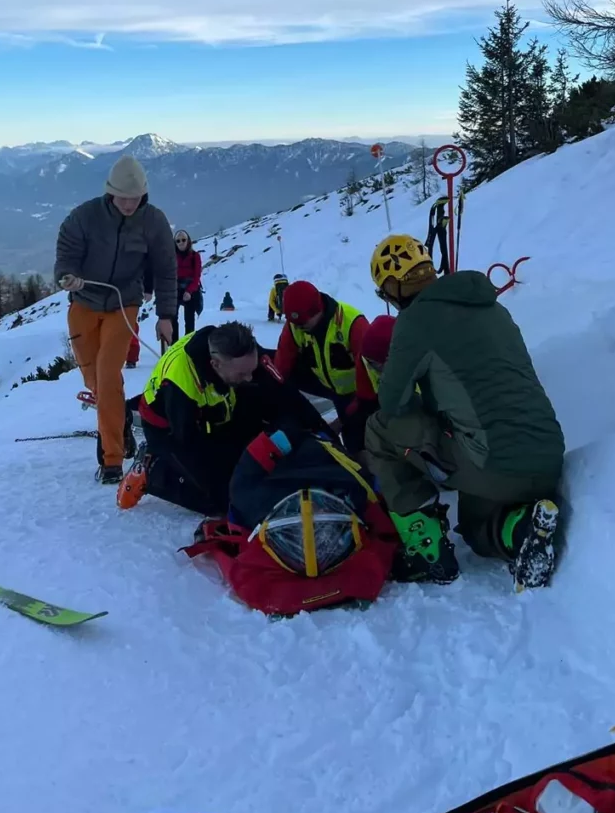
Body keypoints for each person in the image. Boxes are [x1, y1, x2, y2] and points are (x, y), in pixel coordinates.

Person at [365, 234, 565, 590]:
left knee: (380, 428)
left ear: (394, 287)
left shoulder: (415, 321)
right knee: (473, 528)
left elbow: (391, 403)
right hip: (547, 457)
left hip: (491, 461)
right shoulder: (493, 308)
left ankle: (427, 551)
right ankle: (522, 530)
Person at [54, 154, 177, 485]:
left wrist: (167, 315)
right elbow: (66, 254)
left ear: (144, 195)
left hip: (125, 305)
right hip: (83, 304)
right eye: (122, 197)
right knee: (93, 380)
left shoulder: (153, 221)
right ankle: (120, 422)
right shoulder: (85, 217)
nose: (128, 203)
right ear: (110, 192)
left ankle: (111, 460)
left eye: (134, 197)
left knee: (108, 376)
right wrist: (68, 276)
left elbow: (166, 271)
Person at [117, 321, 325, 515]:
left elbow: (285, 392)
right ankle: (153, 471)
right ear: (215, 364)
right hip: (172, 430)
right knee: (222, 502)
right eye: (242, 374)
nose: (249, 377)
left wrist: (322, 432)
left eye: (250, 371)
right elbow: (190, 448)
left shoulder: (240, 351)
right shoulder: (180, 387)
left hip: (217, 409)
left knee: (265, 415)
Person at [273, 281, 375, 454]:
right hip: (327, 386)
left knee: (357, 441)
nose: (298, 327)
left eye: (303, 323)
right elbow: (282, 365)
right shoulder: (295, 326)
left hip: (360, 391)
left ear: (317, 310)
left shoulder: (353, 325)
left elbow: (373, 374)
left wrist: (347, 417)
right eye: (294, 323)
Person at [172, 230, 204, 341]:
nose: (181, 243)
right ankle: (174, 345)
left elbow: (196, 277)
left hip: (190, 290)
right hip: (175, 289)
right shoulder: (171, 257)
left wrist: (189, 291)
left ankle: (188, 344)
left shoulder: (195, 256)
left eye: (184, 240)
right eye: (178, 241)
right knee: (172, 318)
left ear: (188, 241)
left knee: (189, 320)